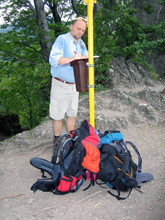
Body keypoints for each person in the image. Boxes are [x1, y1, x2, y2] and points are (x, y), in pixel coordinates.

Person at [49, 17, 88, 154]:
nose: (80, 32)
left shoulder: (82, 44)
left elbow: (85, 60)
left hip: (74, 85)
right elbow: (53, 60)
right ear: (71, 26)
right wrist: (73, 59)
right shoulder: (62, 40)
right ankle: (57, 143)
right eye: (78, 28)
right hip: (61, 84)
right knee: (58, 116)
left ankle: (71, 142)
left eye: (83, 30)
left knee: (72, 114)